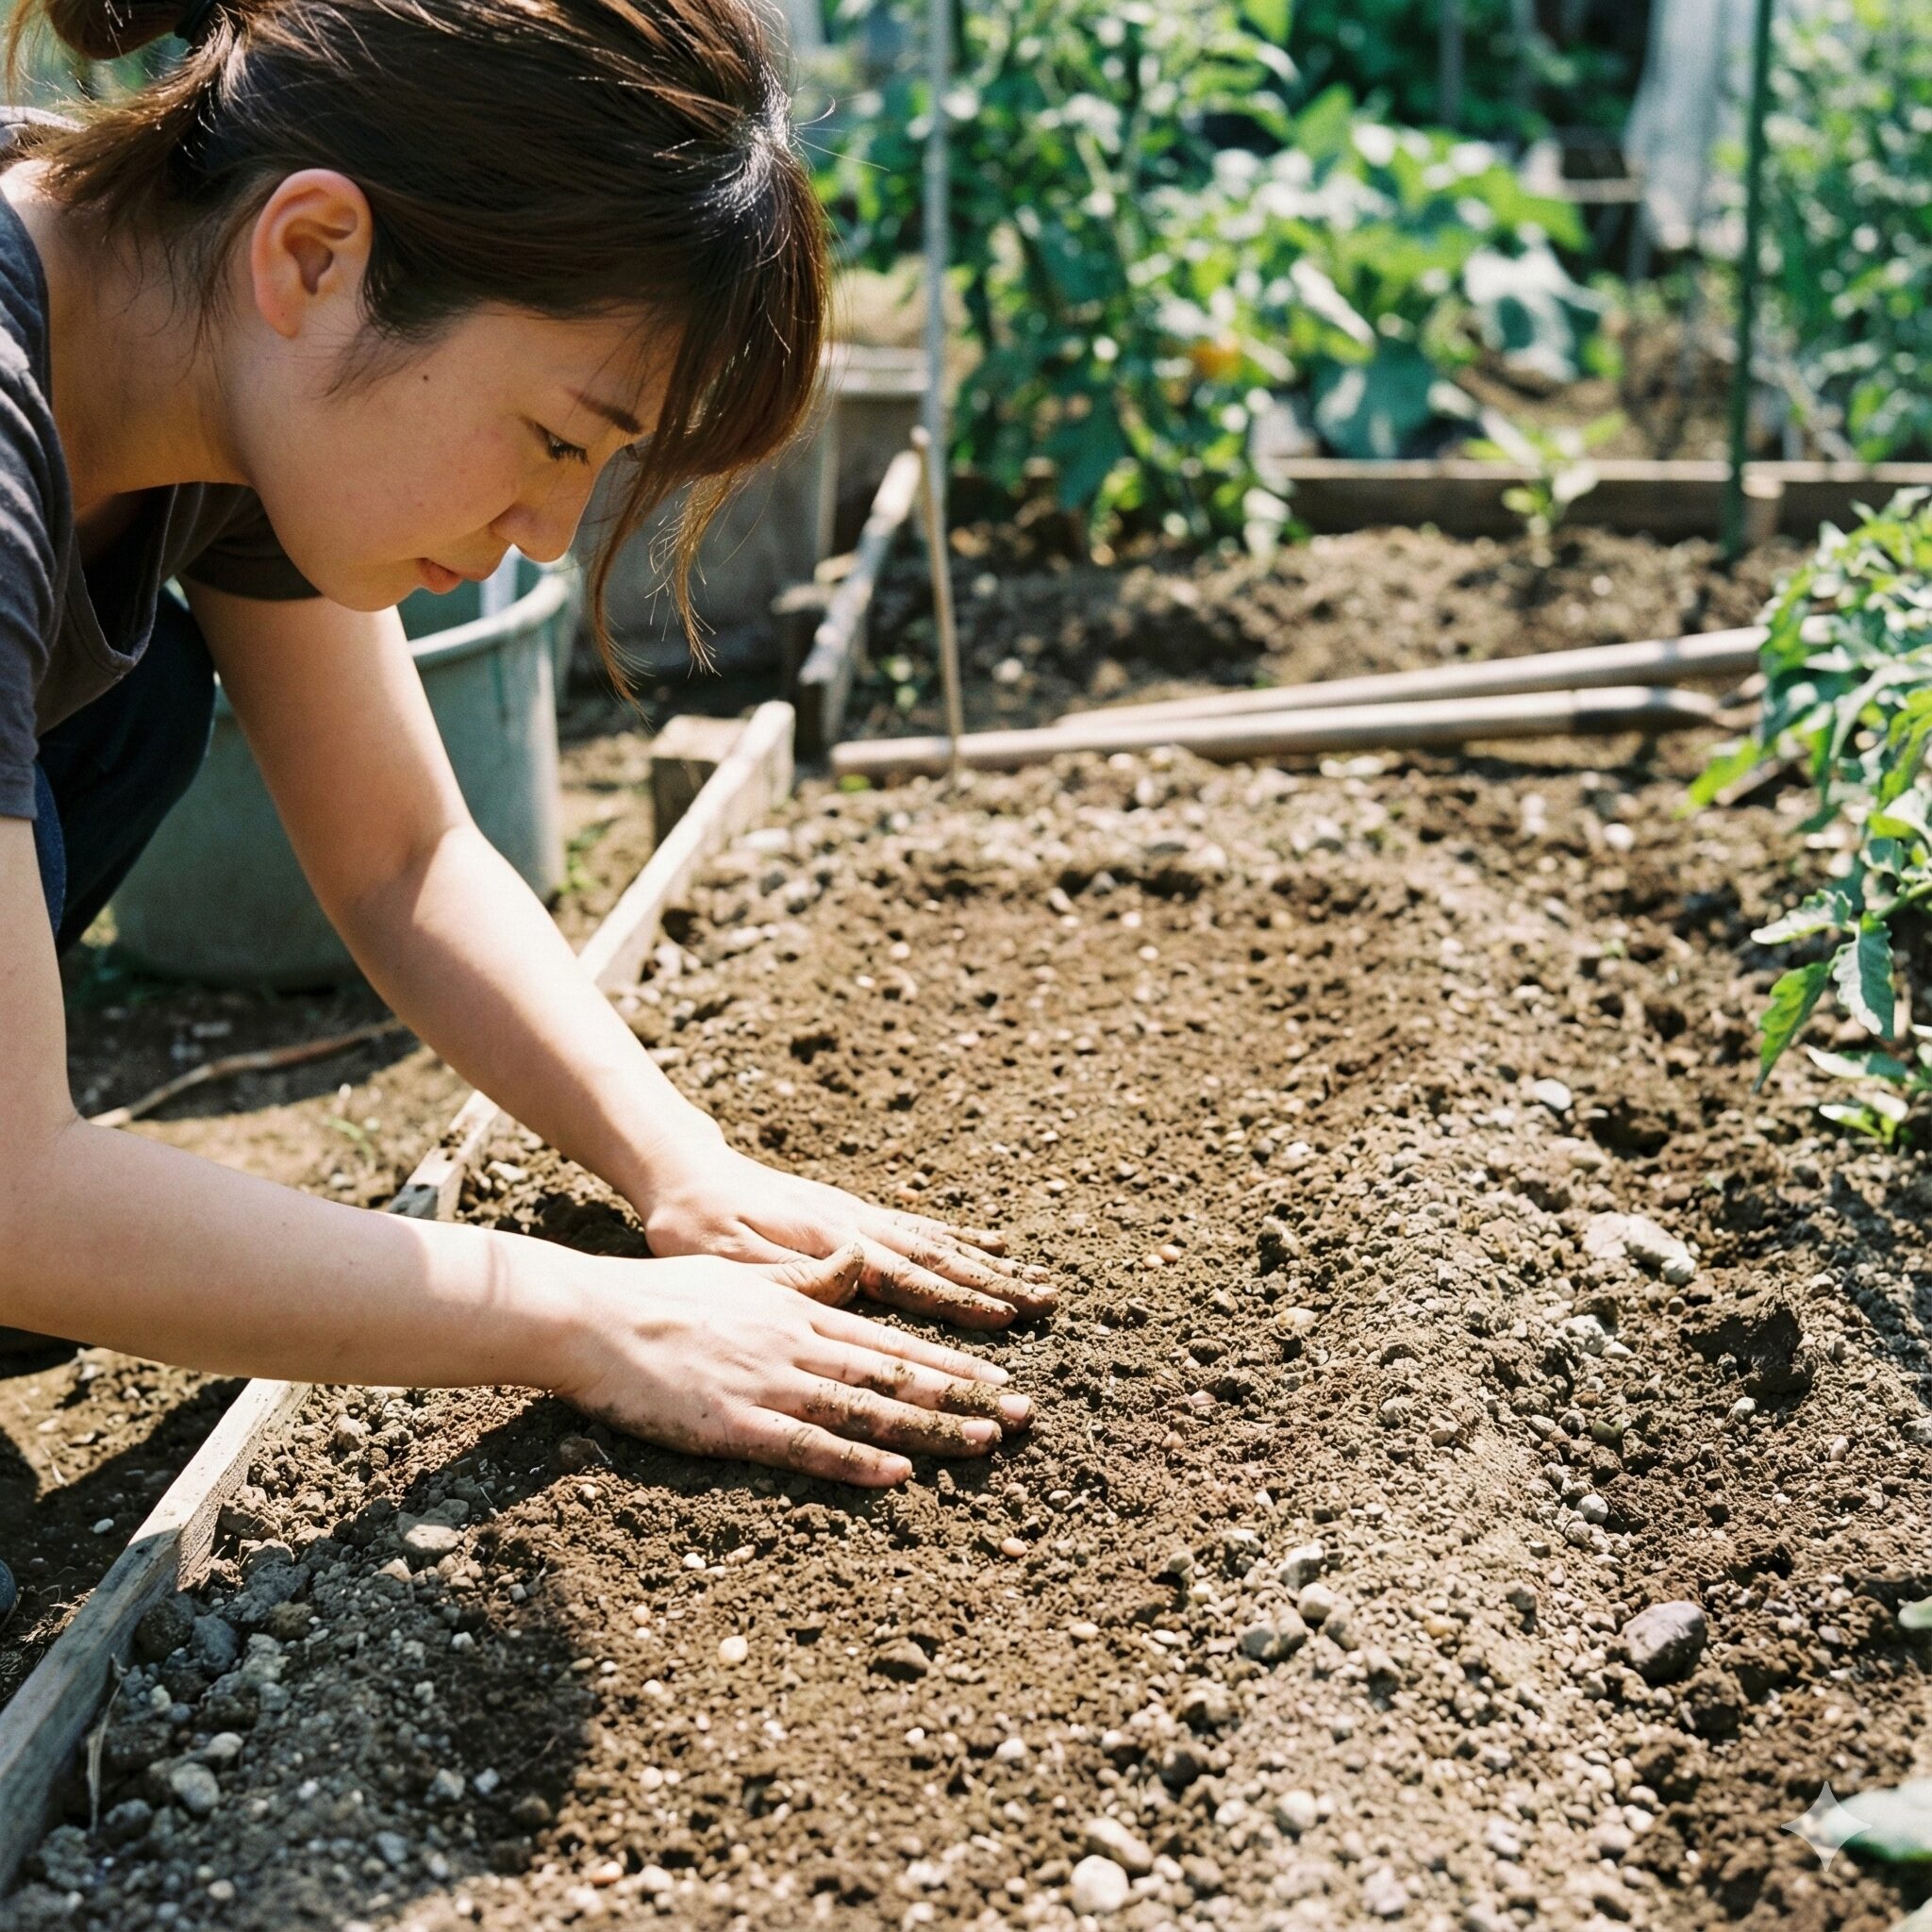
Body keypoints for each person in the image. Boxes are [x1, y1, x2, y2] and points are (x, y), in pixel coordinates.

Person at [0, 0, 1051, 1601]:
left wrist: (678, 1167)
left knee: (137, 704)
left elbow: (407, 858)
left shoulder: (214, 349)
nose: (550, 536)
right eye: (558, 438)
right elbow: (17, 1189)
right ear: (316, 255)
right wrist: (581, 1315)